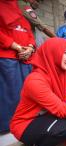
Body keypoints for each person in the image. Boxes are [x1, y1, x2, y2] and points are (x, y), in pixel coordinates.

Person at [0, 0, 35, 133]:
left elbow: (30, 34)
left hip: (26, 58)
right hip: (8, 57)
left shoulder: (20, 9)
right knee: (11, 93)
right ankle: (8, 127)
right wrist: (17, 47)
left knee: (27, 91)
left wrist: (30, 48)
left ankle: (26, 120)